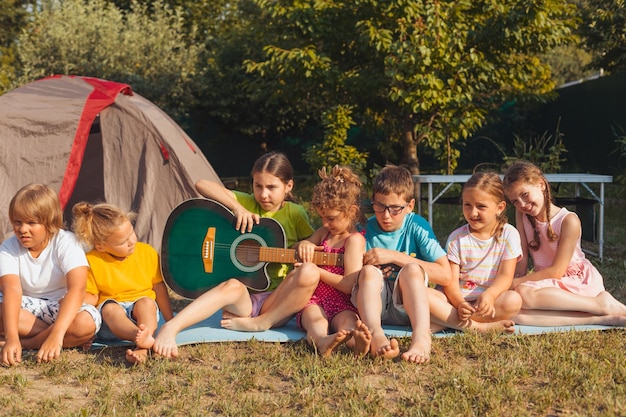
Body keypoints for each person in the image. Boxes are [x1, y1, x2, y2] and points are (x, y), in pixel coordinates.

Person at [153, 151, 317, 358]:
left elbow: (315, 242)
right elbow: (202, 184)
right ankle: (171, 328)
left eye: (271, 187)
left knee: (310, 272)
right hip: (244, 300)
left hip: (276, 302)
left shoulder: (295, 213)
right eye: (258, 186)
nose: (263, 194)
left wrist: (306, 243)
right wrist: (237, 208)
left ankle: (260, 324)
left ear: (289, 186)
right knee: (232, 284)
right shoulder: (248, 202)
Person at [502, 160, 626, 326]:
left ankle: (598, 304)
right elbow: (522, 258)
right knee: (512, 311)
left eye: (524, 195)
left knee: (523, 294)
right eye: (515, 201)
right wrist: (513, 282)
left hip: (575, 281)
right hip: (546, 284)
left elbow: (556, 271)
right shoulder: (522, 215)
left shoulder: (569, 220)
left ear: (541, 185)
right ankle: (603, 317)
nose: (522, 205)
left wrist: (517, 283)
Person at [353, 165, 451, 363]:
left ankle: (421, 338)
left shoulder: (416, 225)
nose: (386, 215)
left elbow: (445, 275)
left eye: (395, 209)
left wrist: (394, 256)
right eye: (379, 206)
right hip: (371, 307)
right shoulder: (363, 228)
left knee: (413, 270)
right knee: (370, 273)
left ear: (410, 205)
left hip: (405, 307)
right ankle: (376, 336)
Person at [0, 184, 101, 366]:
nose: (22, 229)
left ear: (50, 222)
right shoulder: (8, 247)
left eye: (31, 223)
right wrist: (11, 337)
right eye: (17, 222)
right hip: (25, 306)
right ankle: (61, 338)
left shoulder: (67, 242)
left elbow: (77, 290)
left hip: (60, 307)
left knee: (86, 322)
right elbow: (11, 291)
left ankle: (30, 343)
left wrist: (57, 333)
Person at [72, 202, 174, 364]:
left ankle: (142, 348)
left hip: (144, 317)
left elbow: (159, 289)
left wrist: (170, 322)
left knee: (146, 303)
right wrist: (84, 331)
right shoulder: (92, 260)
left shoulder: (147, 252)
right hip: (112, 325)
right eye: (122, 242)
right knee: (110, 308)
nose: (131, 241)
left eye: (131, 233)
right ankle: (137, 336)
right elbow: (91, 297)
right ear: (101, 246)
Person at [296, 165, 371, 357]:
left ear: (352, 211)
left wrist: (316, 270)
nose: (325, 223)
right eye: (321, 217)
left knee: (349, 323)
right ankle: (322, 341)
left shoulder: (354, 241)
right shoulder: (324, 233)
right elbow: (302, 246)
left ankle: (358, 343)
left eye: (331, 218)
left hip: (343, 302)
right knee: (315, 321)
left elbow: (348, 284)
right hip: (314, 299)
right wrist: (305, 244)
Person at [442, 172, 523, 324]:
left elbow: (506, 276)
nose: (473, 213)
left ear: (499, 207)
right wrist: (460, 304)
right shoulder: (456, 238)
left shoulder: (509, 234)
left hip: (490, 301)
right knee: (428, 295)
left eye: (481, 206)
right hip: (457, 300)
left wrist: (490, 295)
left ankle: (449, 320)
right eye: (467, 205)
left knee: (513, 300)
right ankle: (472, 322)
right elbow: (451, 283)